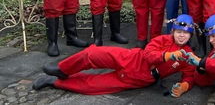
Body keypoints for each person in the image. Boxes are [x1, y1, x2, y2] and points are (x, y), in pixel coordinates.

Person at [32, 14, 196, 98]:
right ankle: (62, 69)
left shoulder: (188, 55)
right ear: (173, 31)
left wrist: (184, 87)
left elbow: (190, 75)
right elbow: (148, 55)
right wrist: (169, 56)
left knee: (92, 86)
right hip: (132, 58)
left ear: (190, 36)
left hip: (141, 79)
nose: (182, 36)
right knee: (93, 53)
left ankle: (54, 81)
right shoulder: (162, 39)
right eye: (179, 32)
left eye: (186, 33)